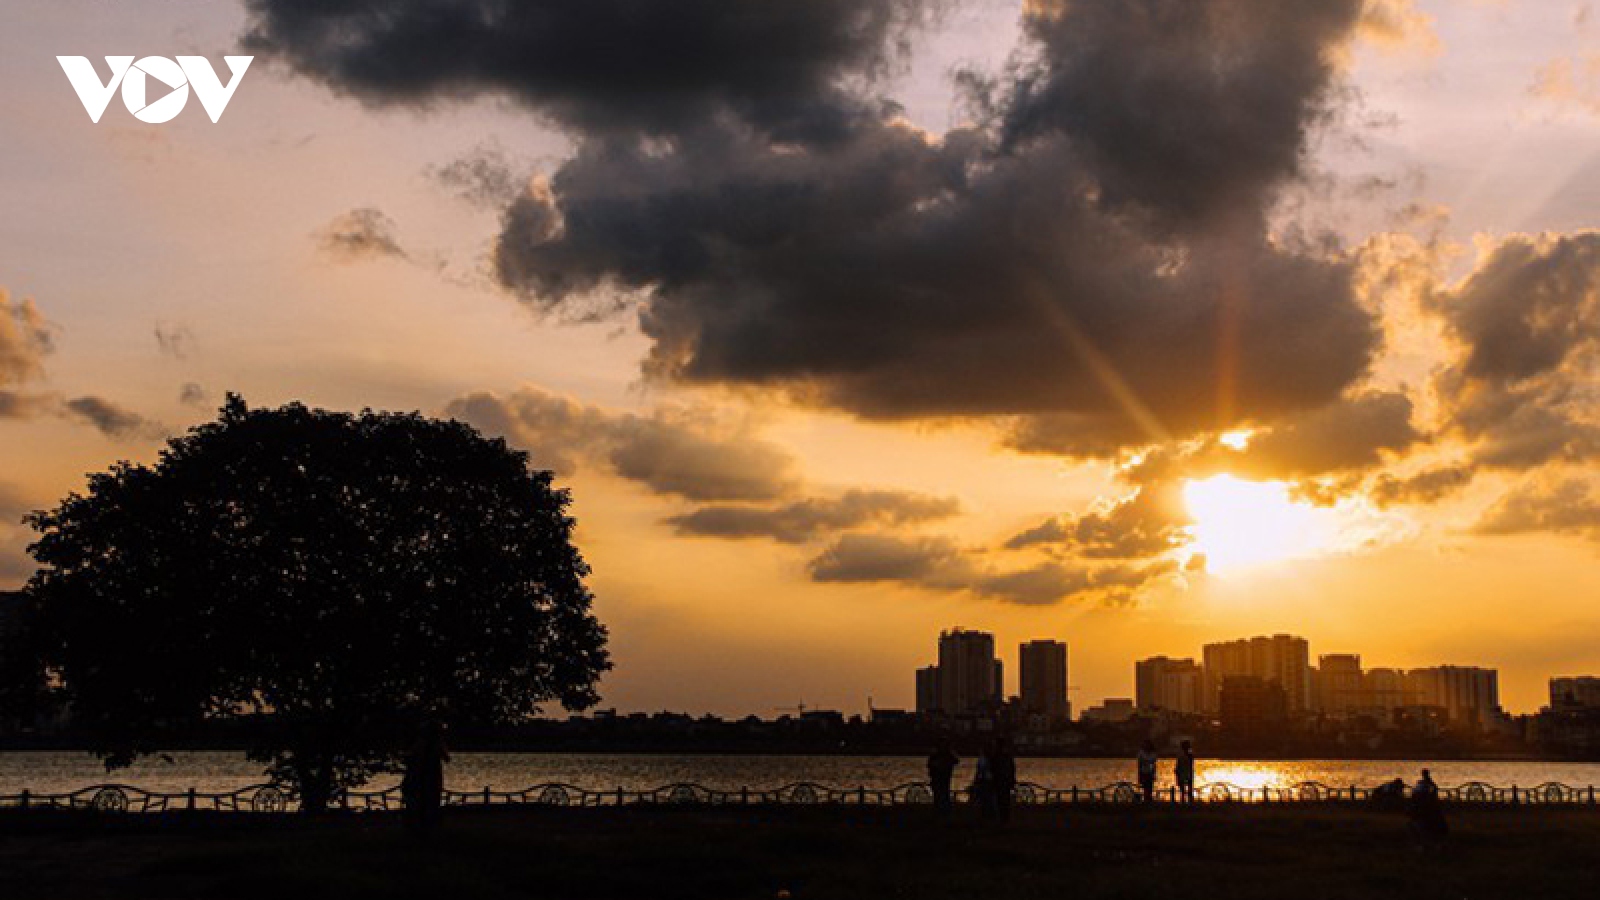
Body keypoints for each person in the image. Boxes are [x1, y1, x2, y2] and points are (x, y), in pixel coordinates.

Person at [401, 719, 450, 834]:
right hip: (428, 777)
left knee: (426, 801)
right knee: (427, 801)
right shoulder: (428, 744)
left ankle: (424, 825)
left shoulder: (423, 744)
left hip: (427, 776)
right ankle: (424, 826)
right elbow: (446, 758)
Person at [1408, 768, 1448, 844]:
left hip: (1421, 802)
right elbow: (1433, 792)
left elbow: (1433, 792)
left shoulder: (1422, 783)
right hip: (1422, 803)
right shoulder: (1425, 783)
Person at [990, 737, 1018, 824]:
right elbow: (1012, 769)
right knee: (1005, 800)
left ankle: (1002, 818)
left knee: (1001, 800)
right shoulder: (1007, 756)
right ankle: (1005, 817)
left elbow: (993, 769)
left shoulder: (995, 756)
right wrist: (1012, 780)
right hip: (1005, 781)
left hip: (1000, 781)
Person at [926, 742, 959, 816]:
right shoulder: (934, 755)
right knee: (937, 795)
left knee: (944, 794)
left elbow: (956, 761)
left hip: (945, 779)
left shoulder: (949, 755)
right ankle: (938, 811)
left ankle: (945, 811)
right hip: (936, 779)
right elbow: (929, 765)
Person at [970, 747, 995, 819]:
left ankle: (988, 814)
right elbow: (978, 771)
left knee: (987, 798)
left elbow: (979, 771)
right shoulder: (982, 759)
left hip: (987, 781)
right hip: (984, 780)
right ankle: (985, 814)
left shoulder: (986, 759)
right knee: (984, 798)